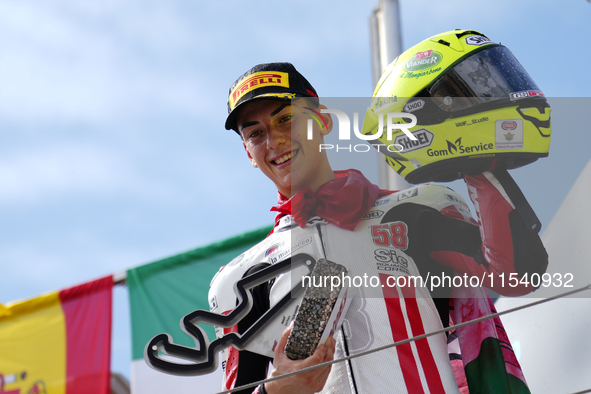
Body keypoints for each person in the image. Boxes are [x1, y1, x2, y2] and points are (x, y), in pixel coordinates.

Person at [209, 60, 548, 394]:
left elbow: (515, 276)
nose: (274, 140)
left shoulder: (421, 206)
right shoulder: (240, 278)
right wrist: (279, 389)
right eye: (255, 133)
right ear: (249, 154)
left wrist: (478, 161)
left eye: (286, 119)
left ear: (323, 121)